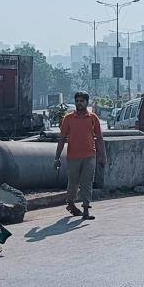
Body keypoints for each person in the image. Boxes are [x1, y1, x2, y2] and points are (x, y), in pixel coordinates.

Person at [54, 91, 107, 220]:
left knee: (87, 182)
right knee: (73, 183)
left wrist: (103, 157)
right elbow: (61, 139)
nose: (79, 103)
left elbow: (99, 138)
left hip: (90, 156)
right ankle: (71, 203)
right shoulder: (68, 118)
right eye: (77, 101)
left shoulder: (93, 118)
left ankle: (86, 210)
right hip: (73, 156)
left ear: (86, 103)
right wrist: (56, 157)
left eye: (82, 101)